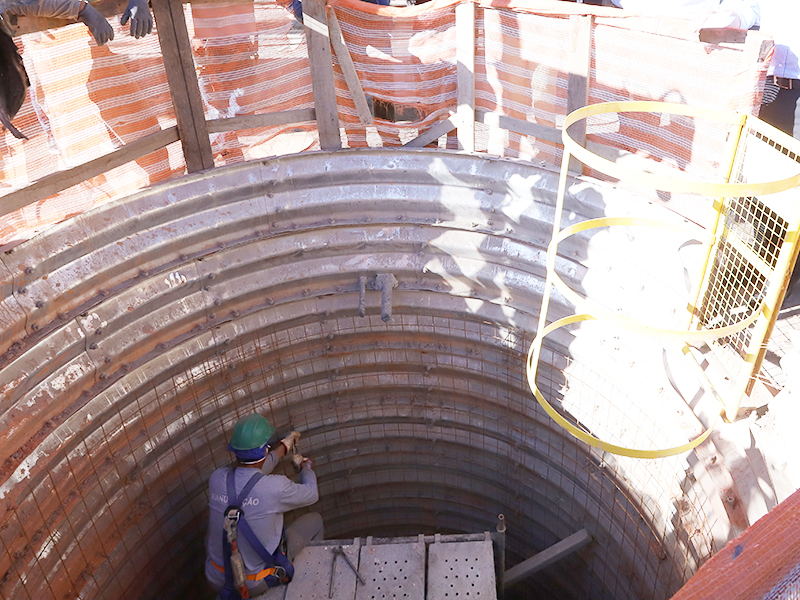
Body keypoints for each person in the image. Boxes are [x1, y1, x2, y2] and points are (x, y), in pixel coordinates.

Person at [205, 414, 323, 598]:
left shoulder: (217, 478)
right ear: (265, 449)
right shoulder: (275, 487)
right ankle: (314, 580)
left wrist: (283, 448)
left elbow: (249, 474)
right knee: (315, 521)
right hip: (253, 583)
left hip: (215, 578)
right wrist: (305, 467)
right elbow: (312, 493)